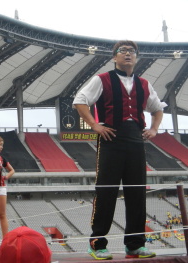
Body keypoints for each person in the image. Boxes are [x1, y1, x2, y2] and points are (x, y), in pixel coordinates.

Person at [73, 40, 166, 260]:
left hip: (135, 141)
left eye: (131, 51)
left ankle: (135, 244)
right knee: (106, 192)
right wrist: (95, 125)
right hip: (111, 141)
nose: (127, 54)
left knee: (136, 193)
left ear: (136, 57)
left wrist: (153, 128)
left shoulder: (144, 83)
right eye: (122, 51)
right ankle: (97, 244)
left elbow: (157, 108)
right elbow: (80, 101)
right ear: (114, 57)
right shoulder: (101, 79)